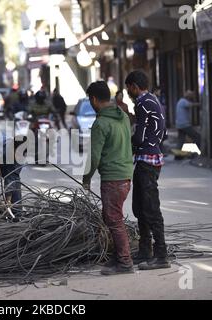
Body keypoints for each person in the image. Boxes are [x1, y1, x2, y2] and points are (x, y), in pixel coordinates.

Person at [82, 81, 135, 275]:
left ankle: (125, 262)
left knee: (113, 219)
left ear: (94, 99)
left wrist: (86, 179)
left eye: (90, 100)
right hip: (126, 175)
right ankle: (117, 256)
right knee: (112, 217)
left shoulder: (101, 123)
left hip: (113, 178)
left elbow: (94, 156)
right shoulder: (124, 118)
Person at [125, 70, 171, 270]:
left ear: (135, 86)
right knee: (140, 206)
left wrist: (127, 144)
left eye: (129, 89)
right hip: (150, 158)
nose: (128, 93)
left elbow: (140, 137)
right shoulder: (154, 100)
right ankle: (145, 250)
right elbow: (165, 132)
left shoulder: (143, 104)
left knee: (150, 208)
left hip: (147, 160)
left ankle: (161, 255)